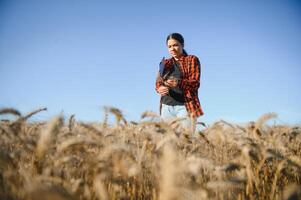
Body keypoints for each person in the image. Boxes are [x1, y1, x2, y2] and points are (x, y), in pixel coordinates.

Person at [155, 33, 204, 134]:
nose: (172, 49)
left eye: (175, 45)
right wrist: (159, 88)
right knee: (169, 141)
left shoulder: (191, 60)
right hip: (166, 107)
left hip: (185, 106)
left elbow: (195, 83)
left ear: (182, 45)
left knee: (186, 140)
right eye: (169, 46)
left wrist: (178, 83)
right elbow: (158, 82)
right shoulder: (165, 63)